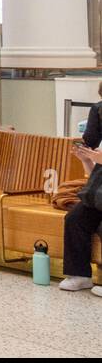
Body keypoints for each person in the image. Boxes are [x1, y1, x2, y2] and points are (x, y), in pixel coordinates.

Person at [59, 82, 102, 296]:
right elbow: (92, 168)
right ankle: (80, 275)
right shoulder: (98, 112)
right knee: (75, 219)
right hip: (98, 192)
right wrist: (86, 159)